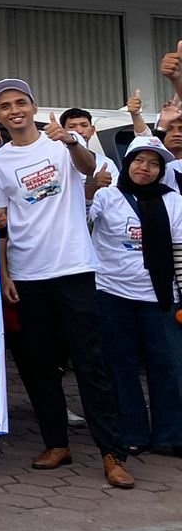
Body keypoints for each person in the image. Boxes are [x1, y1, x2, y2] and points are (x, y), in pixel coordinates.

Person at [0, 78, 132, 489]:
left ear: (33, 107)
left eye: (21, 103)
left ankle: (112, 454)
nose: (15, 110)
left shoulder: (61, 145)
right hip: (28, 274)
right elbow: (0, 223)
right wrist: (5, 274)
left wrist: (69, 140)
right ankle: (56, 444)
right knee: (40, 366)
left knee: (91, 364)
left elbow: (88, 169)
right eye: (5, 106)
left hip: (74, 268)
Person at [89, 136, 182, 459]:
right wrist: (90, 187)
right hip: (112, 292)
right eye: (139, 160)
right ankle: (131, 432)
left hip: (161, 296)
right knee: (120, 365)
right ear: (127, 163)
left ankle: (171, 435)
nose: (145, 168)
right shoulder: (108, 196)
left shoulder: (174, 201)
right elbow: (82, 220)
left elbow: (180, 250)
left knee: (168, 365)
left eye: (154, 163)